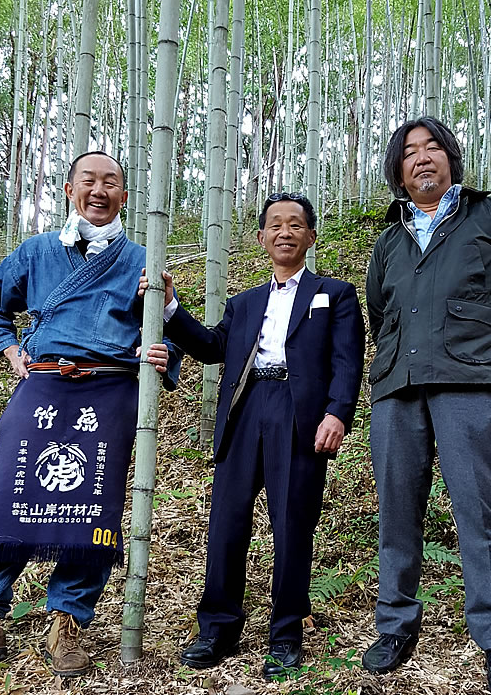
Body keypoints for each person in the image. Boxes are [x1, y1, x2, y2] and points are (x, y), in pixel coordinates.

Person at [0, 151, 181, 678]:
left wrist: (161, 344)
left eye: (112, 183)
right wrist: (10, 352)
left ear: (125, 194)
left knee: (94, 505)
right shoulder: (36, 251)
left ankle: (67, 620)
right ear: (70, 188)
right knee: (11, 491)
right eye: (89, 181)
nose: (100, 191)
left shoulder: (144, 259)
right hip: (45, 379)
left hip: (111, 387)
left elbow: (164, 334)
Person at [140, 192, 365, 680]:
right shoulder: (244, 303)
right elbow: (212, 346)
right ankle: (217, 628)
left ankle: (285, 635)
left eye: (295, 224)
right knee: (226, 525)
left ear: (310, 235)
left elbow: (348, 362)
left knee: (291, 526)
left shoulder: (337, 294)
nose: (285, 232)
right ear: (262, 237)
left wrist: (338, 414)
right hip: (245, 411)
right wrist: (172, 307)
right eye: (275, 225)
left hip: (299, 414)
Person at [363, 117, 491, 695]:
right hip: (397, 388)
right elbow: (378, 313)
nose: (421, 158)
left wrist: (486, 353)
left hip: (470, 385)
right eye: (409, 152)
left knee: (479, 513)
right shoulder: (389, 239)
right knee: (396, 513)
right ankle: (395, 627)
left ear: (451, 157)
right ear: (397, 170)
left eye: (432, 147)